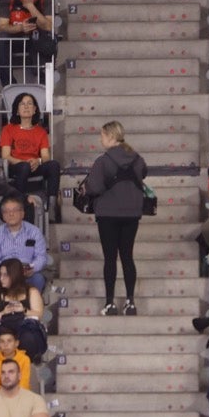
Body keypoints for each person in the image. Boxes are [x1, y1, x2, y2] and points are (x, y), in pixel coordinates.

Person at [84, 121, 147, 316]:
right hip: (132, 213)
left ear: (111, 137)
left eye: (102, 135)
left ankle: (110, 303)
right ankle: (130, 302)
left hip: (108, 213)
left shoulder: (103, 161)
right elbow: (143, 173)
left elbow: (94, 187)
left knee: (110, 258)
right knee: (127, 256)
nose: (100, 139)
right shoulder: (136, 158)